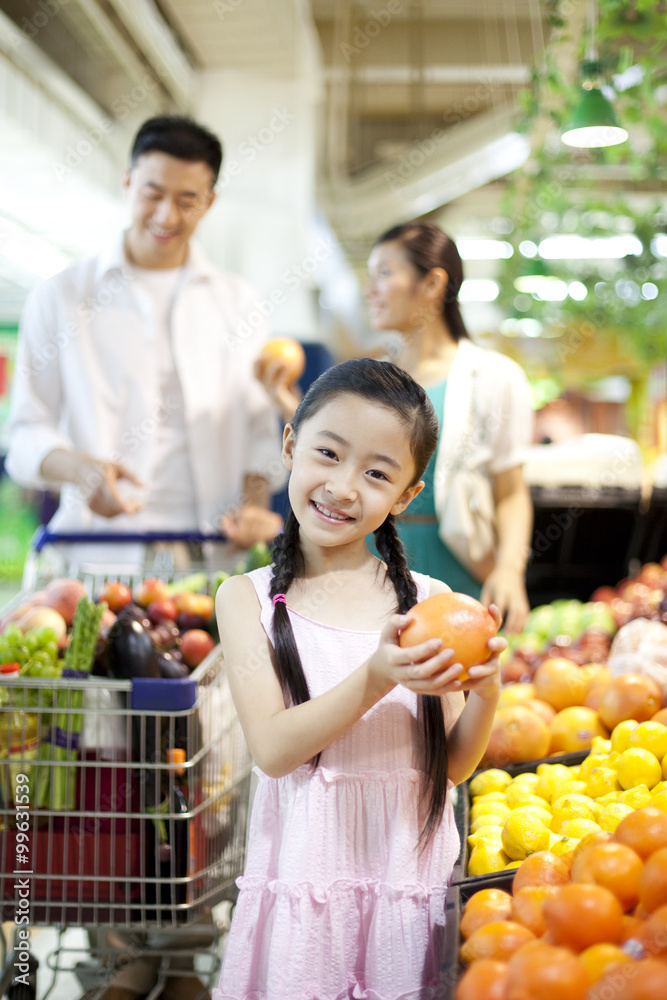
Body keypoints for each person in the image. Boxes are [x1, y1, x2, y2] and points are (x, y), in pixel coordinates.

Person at [213, 358, 504, 998]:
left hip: (407, 882)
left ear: (406, 496)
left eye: (376, 473)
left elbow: (453, 766)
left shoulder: (432, 604)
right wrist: (375, 677)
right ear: (291, 445)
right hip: (306, 889)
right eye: (328, 453)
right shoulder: (248, 599)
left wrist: (486, 694)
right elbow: (274, 749)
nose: (344, 487)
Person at [6, 114, 283, 568]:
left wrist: (254, 505)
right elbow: (23, 436)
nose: (165, 216)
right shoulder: (62, 296)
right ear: (128, 181)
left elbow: (256, 430)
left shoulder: (238, 302)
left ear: (210, 202)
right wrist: (82, 471)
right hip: (96, 554)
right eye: (152, 194)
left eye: (186, 200)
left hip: (211, 555)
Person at [365, 222, 534, 634]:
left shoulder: (493, 377)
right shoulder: (367, 380)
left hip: (457, 573)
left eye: (384, 274)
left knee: (455, 689)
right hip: (369, 566)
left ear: (432, 282)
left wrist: (510, 570)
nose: (370, 290)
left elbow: (510, 491)